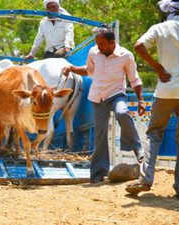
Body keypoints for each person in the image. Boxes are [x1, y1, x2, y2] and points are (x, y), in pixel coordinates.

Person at [62, 28, 145, 183]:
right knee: (100, 136)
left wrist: (140, 100)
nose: (98, 46)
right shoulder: (94, 52)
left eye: (101, 44)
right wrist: (72, 68)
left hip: (116, 94)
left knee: (122, 113)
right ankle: (98, 174)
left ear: (112, 43)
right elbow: (89, 70)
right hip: (97, 97)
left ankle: (137, 148)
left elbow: (134, 79)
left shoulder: (125, 55)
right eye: (97, 43)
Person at [126, 0, 179, 198]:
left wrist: (158, 68)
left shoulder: (160, 27)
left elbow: (139, 46)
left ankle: (145, 179)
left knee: (154, 133)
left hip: (166, 90)